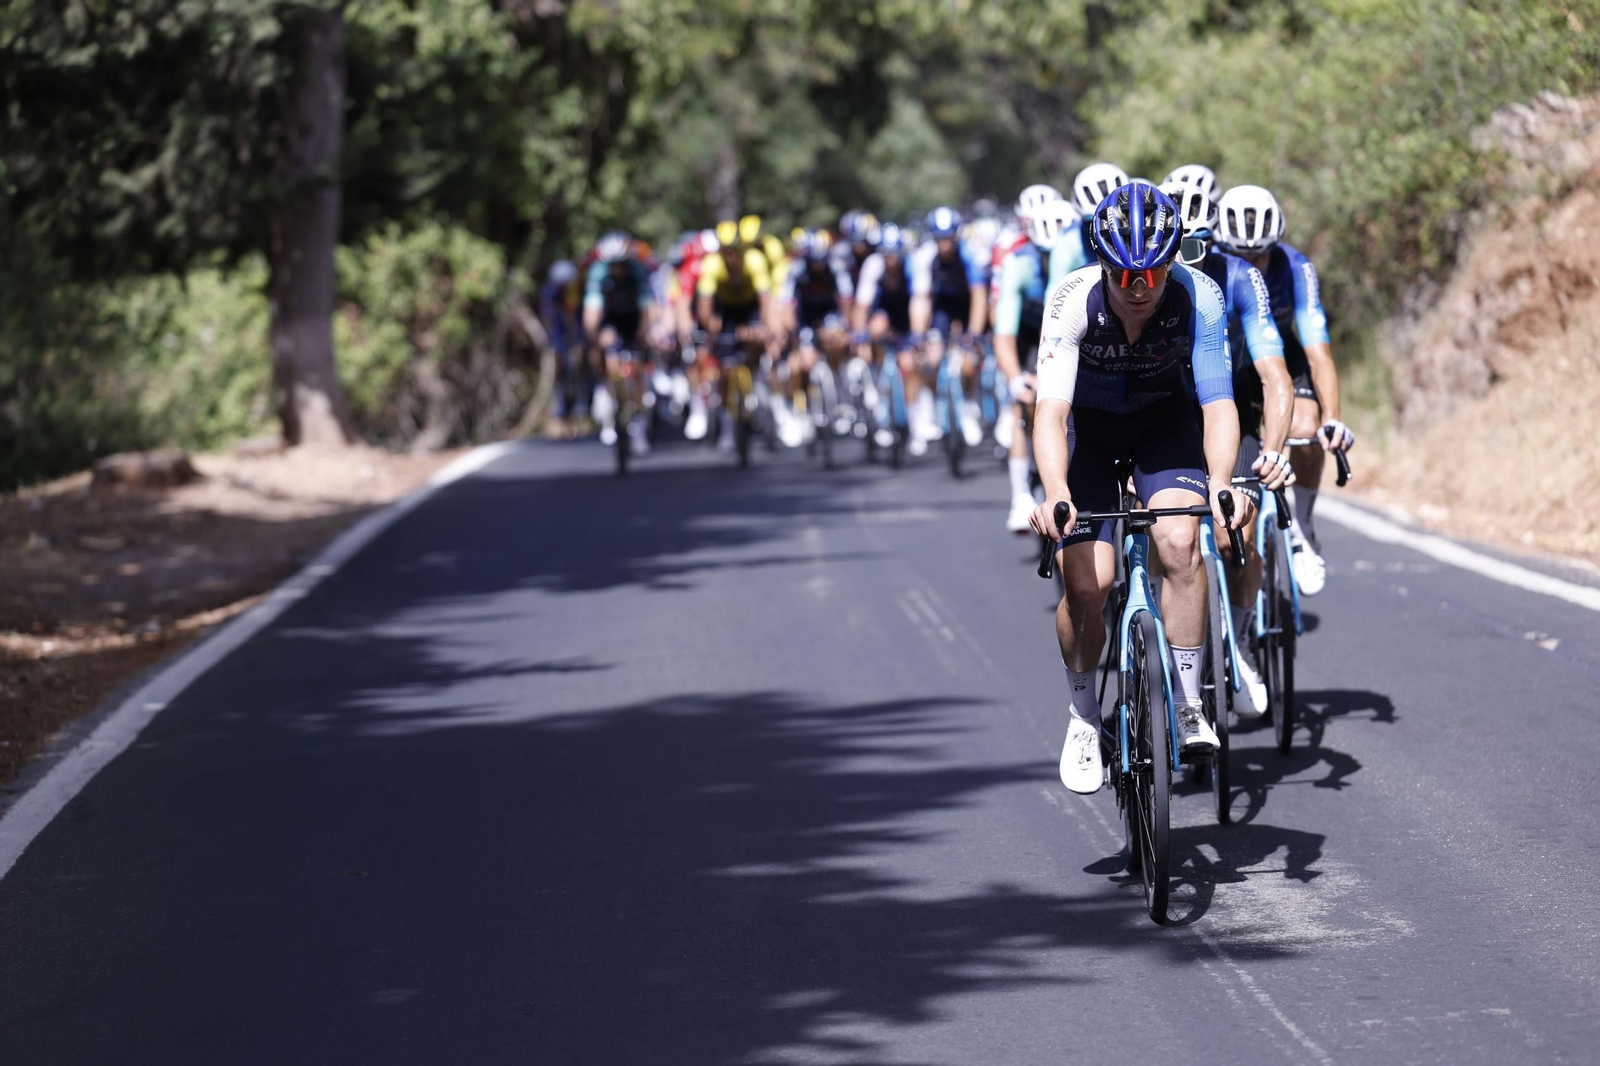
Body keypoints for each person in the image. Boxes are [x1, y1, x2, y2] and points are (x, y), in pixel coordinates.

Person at [1028, 182, 1251, 795]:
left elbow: (1218, 401)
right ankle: (1081, 714)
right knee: (1088, 584)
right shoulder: (1071, 298)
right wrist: (1053, 493)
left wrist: (1225, 483)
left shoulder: (1199, 295)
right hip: (1090, 435)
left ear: (1173, 261)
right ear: (1102, 264)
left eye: (1153, 272)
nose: (1139, 288)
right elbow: (1050, 412)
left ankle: (1185, 703)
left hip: (1163, 425)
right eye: (1124, 275)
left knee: (1181, 544)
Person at [1165, 180, 1293, 718]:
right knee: (1169, 540)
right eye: (1180, 245)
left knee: (1233, 526)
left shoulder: (1240, 278)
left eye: (1201, 245)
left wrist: (1275, 449)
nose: (1191, 257)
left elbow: (1275, 374)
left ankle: (1239, 639)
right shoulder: (1148, 282)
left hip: (1229, 412)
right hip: (1165, 420)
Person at [1215, 185, 1354, 595]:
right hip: (1233, 363)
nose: (1252, 265)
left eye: (1260, 256)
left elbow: (1318, 350)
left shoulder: (1296, 267)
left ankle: (1305, 528)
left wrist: (1333, 417)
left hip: (1283, 356)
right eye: (1241, 257)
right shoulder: (1217, 269)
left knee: (1309, 428)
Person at [994, 199, 1079, 533]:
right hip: (1029, 336)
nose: (1050, 262)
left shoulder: (1082, 255)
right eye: (1044, 256)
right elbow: (1003, 333)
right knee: (1026, 400)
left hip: (1072, 331)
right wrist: (1016, 379)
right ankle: (1020, 496)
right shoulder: (1018, 264)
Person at [909, 206, 989, 453]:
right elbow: (921, 299)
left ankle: (969, 405)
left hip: (967, 305)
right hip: (942, 307)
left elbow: (979, 296)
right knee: (930, 356)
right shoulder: (924, 257)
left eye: (949, 239)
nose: (944, 244)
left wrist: (974, 333)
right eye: (939, 239)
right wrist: (918, 334)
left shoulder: (969, 253)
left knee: (968, 361)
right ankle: (931, 404)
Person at [582, 231, 657, 450]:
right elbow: (592, 312)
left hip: (634, 319)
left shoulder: (637, 272)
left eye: (621, 265)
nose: (617, 270)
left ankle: (640, 426)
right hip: (611, 320)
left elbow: (647, 309)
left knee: (637, 367)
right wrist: (595, 337)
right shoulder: (597, 274)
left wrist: (644, 333)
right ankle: (607, 392)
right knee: (606, 357)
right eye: (613, 265)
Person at [540, 260, 584, 424]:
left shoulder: (576, 292)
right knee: (557, 366)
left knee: (579, 364)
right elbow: (548, 318)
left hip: (575, 333)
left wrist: (579, 340)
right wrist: (551, 340)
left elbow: (576, 317)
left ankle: (582, 400)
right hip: (557, 334)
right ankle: (559, 402)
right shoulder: (549, 293)